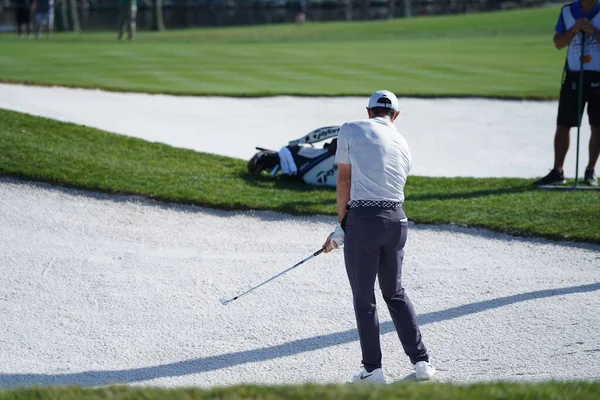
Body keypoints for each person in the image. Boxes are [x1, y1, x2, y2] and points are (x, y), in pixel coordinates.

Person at [322, 90, 436, 384]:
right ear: (395, 116)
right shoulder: (404, 143)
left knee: (364, 297)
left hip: (364, 220)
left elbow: (344, 179)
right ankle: (422, 362)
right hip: (398, 221)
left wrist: (341, 227)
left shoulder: (350, 129)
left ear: (368, 110)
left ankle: (373, 370)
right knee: (394, 292)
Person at [535, 0, 600, 186]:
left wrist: (592, 31)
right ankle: (558, 172)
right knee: (563, 124)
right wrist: (574, 29)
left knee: (597, 125)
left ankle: (590, 171)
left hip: (598, 75)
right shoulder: (567, 11)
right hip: (573, 75)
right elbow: (558, 43)